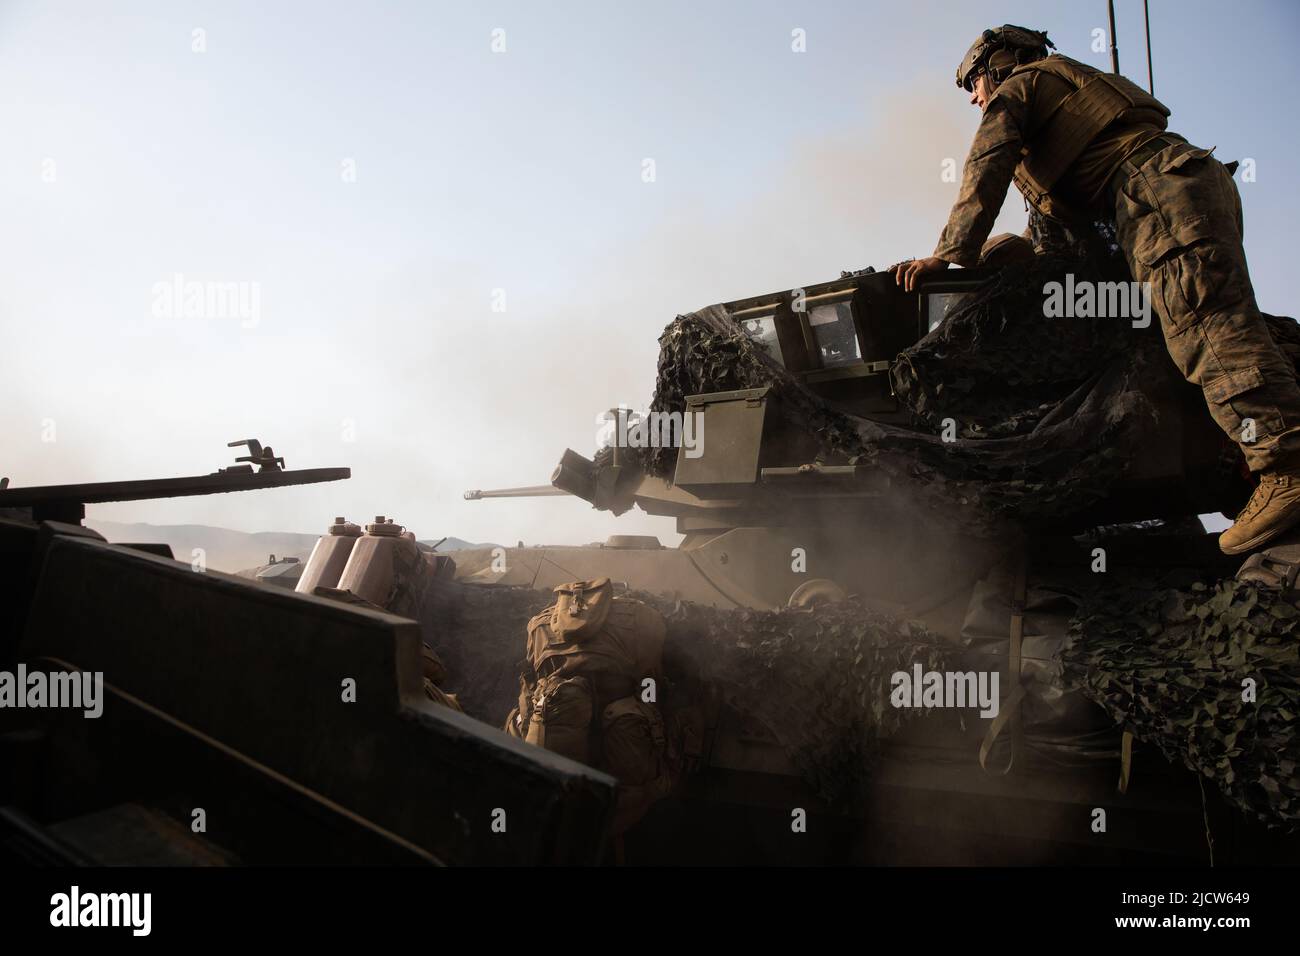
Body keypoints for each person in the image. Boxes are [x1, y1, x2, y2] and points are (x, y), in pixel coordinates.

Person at [893, 24, 1300, 554]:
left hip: (1154, 195)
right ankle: (1254, 461)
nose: (974, 96)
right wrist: (1009, 256)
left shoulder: (1024, 84)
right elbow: (1062, 245)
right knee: (1197, 323)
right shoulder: (1071, 102)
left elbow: (986, 162)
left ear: (999, 64)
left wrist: (950, 253)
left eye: (973, 82)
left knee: (1206, 330)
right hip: (1174, 185)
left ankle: (1285, 466)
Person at [504, 577, 676, 834]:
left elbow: (528, 685)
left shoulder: (538, 625)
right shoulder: (644, 620)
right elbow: (652, 686)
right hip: (621, 788)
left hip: (548, 788)